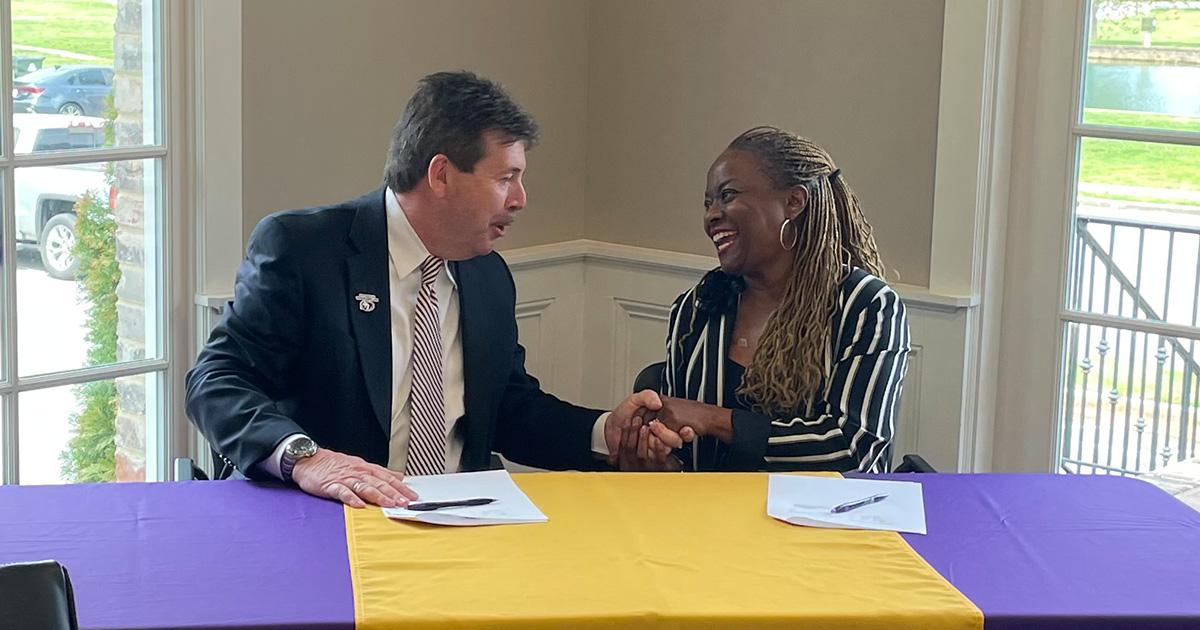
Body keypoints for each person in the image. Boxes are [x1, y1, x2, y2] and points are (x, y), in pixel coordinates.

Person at [185, 71, 660, 508]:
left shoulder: (488, 276)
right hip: (329, 521)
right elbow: (216, 382)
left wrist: (604, 432)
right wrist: (306, 458)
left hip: (464, 526)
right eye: (506, 178)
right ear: (441, 175)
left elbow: (506, 409)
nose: (520, 200)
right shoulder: (305, 250)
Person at [623, 126, 910, 473]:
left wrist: (716, 420)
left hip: (818, 523)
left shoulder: (865, 306)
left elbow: (853, 450)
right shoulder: (700, 305)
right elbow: (683, 457)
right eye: (708, 202)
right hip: (706, 518)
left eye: (728, 195)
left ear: (794, 201)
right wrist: (657, 455)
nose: (712, 215)